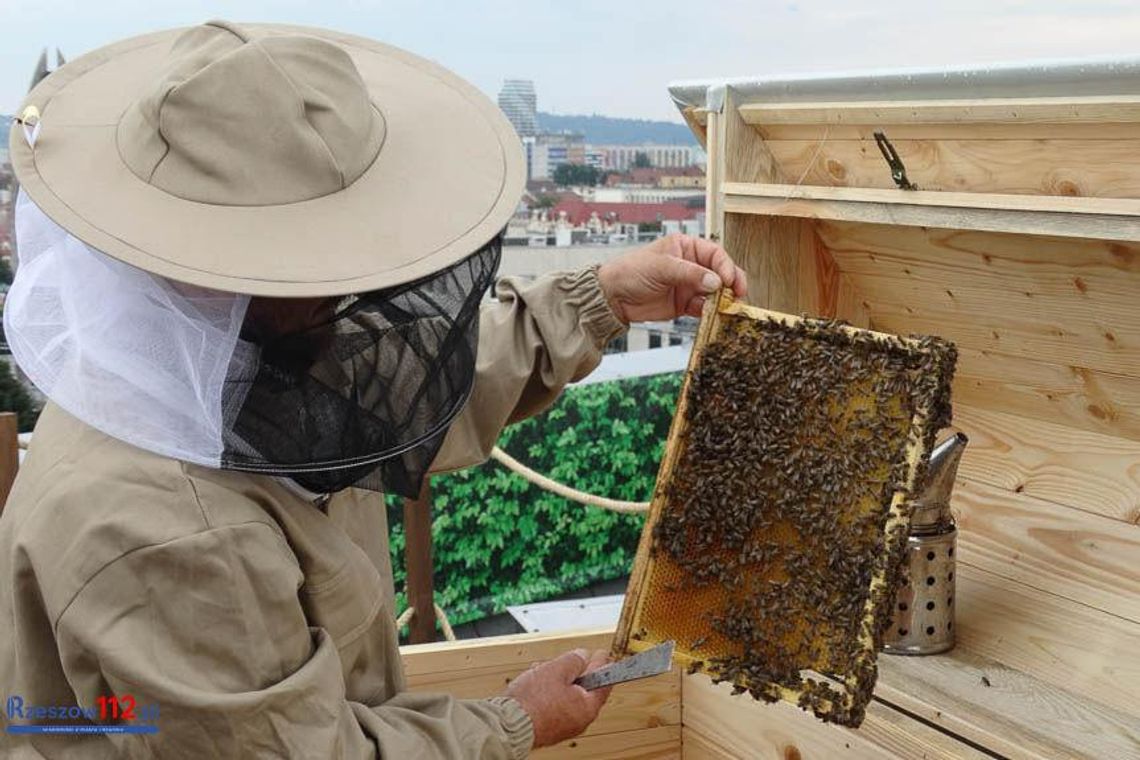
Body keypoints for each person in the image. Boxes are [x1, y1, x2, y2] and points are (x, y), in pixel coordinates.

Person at [0, 20, 746, 759]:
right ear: (228, 269)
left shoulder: (204, 351)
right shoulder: (170, 538)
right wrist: (515, 721)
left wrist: (601, 299)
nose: (356, 286)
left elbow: (405, 390)